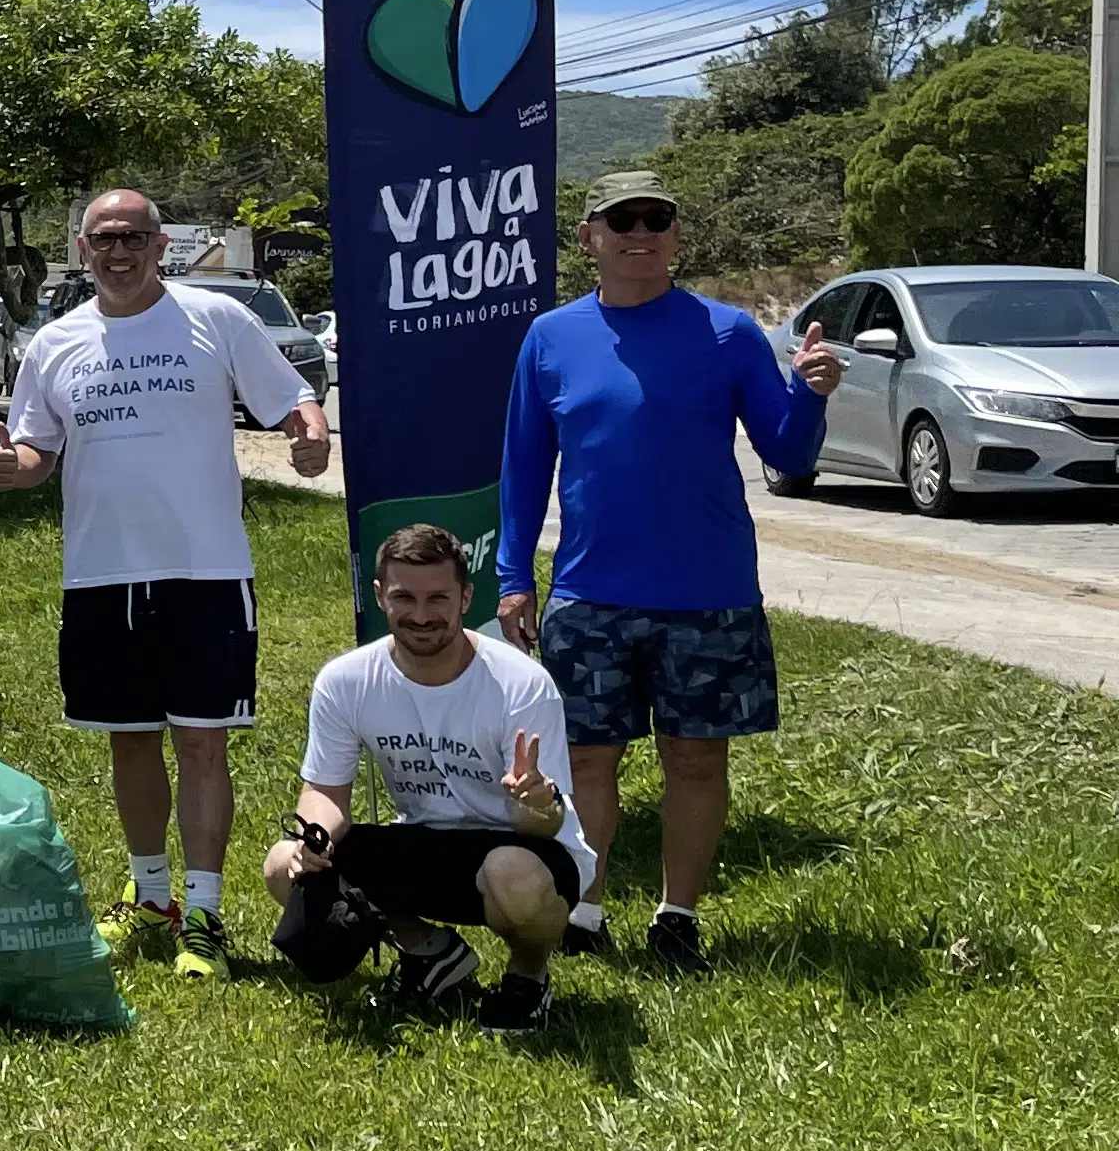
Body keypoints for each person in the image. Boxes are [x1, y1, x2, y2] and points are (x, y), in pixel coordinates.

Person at [0, 185, 329, 981]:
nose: (118, 251)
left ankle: (204, 913)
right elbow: (36, 451)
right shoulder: (56, 342)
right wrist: (14, 467)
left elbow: (292, 401)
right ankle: (152, 895)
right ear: (81, 250)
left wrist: (309, 435)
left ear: (160, 245)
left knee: (202, 743)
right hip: (102, 573)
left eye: (133, 236)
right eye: (103, 238)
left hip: (204, 569)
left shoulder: (218, 319)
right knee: (130, 744)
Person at [497, 168, 841, 972]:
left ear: (677, 237)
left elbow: (788, 451)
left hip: (707, 591)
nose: (640, 233)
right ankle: (583, 905)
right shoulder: (550, 338)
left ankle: (677, 916)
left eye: (657, 220)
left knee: (695, 758)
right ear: (590, 239)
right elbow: (522, 468)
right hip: (590, 591)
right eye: (622, 221)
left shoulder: (728, 334)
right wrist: (515, 574)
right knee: (586, 759)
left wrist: (811, 393)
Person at [270, 522, 586, 1029]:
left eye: (437, 598)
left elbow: (545, 827)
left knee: (511, 874)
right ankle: (430, 952)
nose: (420, 615)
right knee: (283, 864)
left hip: (523, 848)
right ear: (379, 596)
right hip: (424, 840)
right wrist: (316, 839)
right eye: (404, 598)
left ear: (466, 598)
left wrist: (535, 801)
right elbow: (325, 792)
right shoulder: (346, 680)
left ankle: (528, 977)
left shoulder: (521, 684)